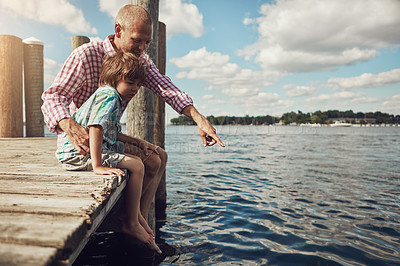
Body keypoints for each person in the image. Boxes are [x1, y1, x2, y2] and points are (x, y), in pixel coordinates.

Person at [42, 4, 224, 224]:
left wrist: (199, 118)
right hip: (80, 141)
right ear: (118, 30)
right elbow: (53, 96)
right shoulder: (86, 55)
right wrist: (69, 126)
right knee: (151, 161)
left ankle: (141, 218)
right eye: (137, 40)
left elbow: (164, 86)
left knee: (161, 155)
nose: (142, 48)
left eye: (147, 42)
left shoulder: (139, 62)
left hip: (109, 136)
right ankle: (130, 221)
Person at [56, 51, 161, 254]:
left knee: (139, 158)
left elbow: (112, 131)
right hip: (78, 155)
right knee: (137, 165)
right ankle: (131, 222)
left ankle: (137, 216)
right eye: (130, 83)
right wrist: (97, 165)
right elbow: (95, 127)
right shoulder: (110, 97)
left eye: (138, 84)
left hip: (81, 152)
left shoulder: (107, 95)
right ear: (114, 78)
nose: (136, 89)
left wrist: (138, 142)